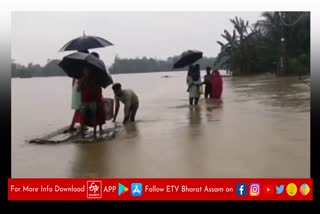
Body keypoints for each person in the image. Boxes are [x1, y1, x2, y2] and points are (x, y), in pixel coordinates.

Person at [67, 49, 89, 132]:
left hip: (76, 87)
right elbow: (82, 79)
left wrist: (74, 87)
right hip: (80, 88)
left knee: (79, 107)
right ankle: (74, 125)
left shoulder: (77, 65)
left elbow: (74, 79)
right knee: (81, 107)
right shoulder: (83, 66)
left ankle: (77, 124)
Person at [78, 65, 100, 139]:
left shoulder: (93, 80)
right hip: (84, 102)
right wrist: (81, 82)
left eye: (88, 71)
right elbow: (78, 90)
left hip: (92, 101)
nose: (87, 72)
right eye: (85, 71)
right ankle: (82, 135)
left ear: (90, 72)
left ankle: (94, 134)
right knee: (82, 118)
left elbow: (97, 90)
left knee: (94, 117)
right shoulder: (81, 79)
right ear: (84, 72)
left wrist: (91, 87)